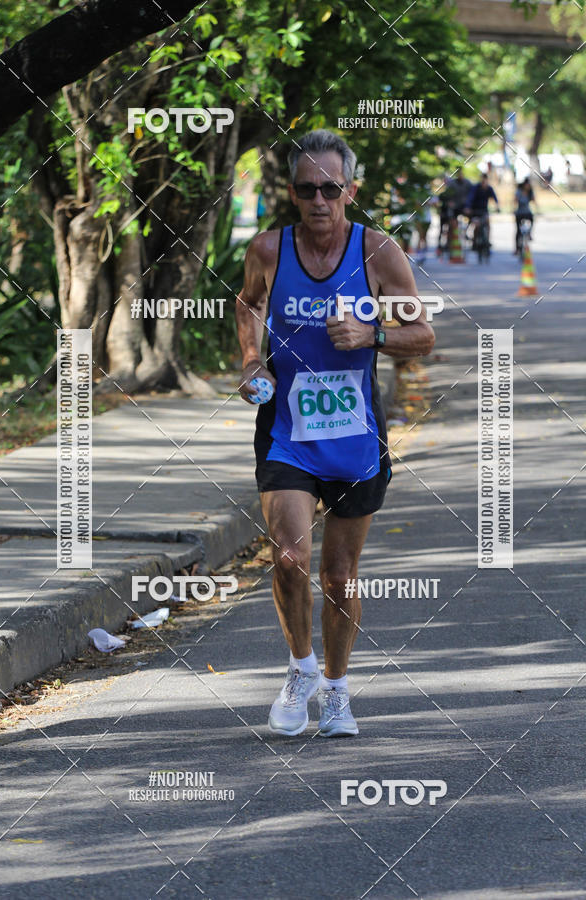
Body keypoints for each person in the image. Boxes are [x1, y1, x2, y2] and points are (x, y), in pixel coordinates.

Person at [235, 129, 435, 738]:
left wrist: (372, 336)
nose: (319, 200)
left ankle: (339, 689)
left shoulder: (378, 254)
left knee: (340, 572)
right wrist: (251, 361)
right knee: (290, 556)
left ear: (350, 190)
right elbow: (247, 305)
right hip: (287, 430)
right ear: (293, 194)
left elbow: (423, 336)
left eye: (330, 188)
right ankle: (300, 671)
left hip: (354, 434)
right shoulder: (269, 249)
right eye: (306, 189)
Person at [465, 173, 500, 248]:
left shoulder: (489, 188)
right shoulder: (475, 188)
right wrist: (468, 207)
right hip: (475, 211)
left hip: (484, 210)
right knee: (477, 225)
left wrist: (497, 206)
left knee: (488, 223)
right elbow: (470, 198)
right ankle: (474, 243)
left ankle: (487, 240)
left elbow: (495, 198)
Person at [514, 178, 536, 254]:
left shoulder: (530, 192)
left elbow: (534, 200)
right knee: (518, 231)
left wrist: (538, 209)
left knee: (532, 219)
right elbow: (515, 201)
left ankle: (529, 233)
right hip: (519, 213)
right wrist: (513, 209)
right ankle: (517, 248)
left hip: (527, 212)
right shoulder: (519, 191)